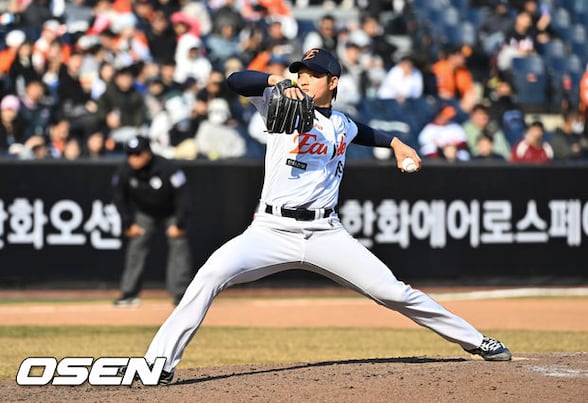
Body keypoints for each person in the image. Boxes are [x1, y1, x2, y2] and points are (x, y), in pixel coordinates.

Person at [137, 48, 512, 385]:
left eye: (314, 74)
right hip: (270, 230)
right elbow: (235, 80)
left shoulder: (342, 124)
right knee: (210, 274)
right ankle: (158, 364)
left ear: (333, 82)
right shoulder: (277, 102)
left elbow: (364, 132)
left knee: (393, 292)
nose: (303, 79)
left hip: (325, 232)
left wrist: (397, 144)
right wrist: (276, 80)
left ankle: (475, 340)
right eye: (301, 72)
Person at [111, 135, 193, 307]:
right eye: (130, 154)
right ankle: (129, 293)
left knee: (178, 244)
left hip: (171, 211)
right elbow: (119, 199)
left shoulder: (167, 168)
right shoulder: (124, 170)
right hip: (145, 213)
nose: (133, 158)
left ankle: (180, 293)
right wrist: (128, 223)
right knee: (136, 245)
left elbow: (183, 196)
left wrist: (179, 223)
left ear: (148, 152)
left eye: (137, 154)